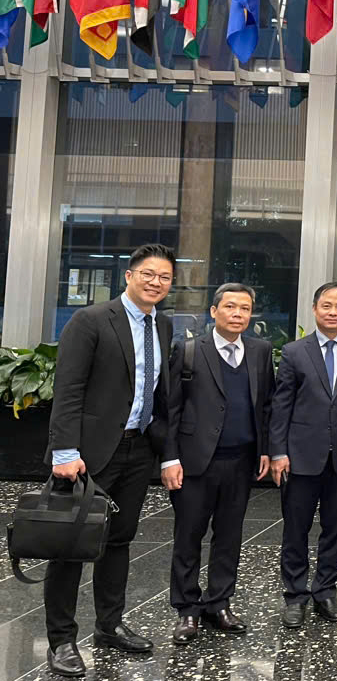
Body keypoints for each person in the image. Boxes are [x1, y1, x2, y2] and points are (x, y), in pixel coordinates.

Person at [43, 244, 179, 678]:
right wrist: (65, 452)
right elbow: (68, 389)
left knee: (118, 541)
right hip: (88, 454)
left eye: (164, 277)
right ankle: (61, 640)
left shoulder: (164, 325)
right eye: (149, 274)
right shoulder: (92, 321)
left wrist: (164, 450)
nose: (156, 282)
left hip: (138, 449)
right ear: (129, 275)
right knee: (70, 547)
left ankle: (109, 625)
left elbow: (158, 393)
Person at [167, 283, 275, 645]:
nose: (238, 314)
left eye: (245, 309)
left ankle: (219, 603)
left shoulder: (260, 351)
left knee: (229, 537)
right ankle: (186, 609)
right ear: (214, 311)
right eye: (230, 307)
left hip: (241, 460)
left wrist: (265, 448)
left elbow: (265, 406)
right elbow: (170, 410)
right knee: (189, 535)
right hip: (196, 461)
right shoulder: (189, 350)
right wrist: (170, 458)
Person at [269, 282, 337, 628]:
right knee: (296, 529)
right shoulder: (294, 352)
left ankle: (325, 591)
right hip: (300, 456)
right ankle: (295, 596)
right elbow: (281, 406)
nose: (333, 312)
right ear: (315, 310)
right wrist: (278, 452)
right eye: (326, 306)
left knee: (335, 528)